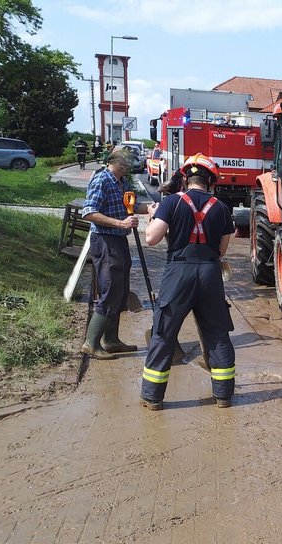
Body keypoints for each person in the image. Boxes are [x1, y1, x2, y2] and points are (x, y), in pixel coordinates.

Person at [141, 153, 236, 410]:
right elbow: (223, 250)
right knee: (217, 334)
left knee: (163, 333)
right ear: (210, 181)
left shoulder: (171, 202)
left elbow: (151, 238)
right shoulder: (222, 208)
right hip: (209, 273)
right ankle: (224, 396)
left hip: (178, 274)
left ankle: (153, 398)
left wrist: (153, 215)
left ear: (185, 178)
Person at [80, 148, 139, 359]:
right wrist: (120, 223)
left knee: (120, 290)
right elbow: (88, 212)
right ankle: (91, 343)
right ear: (117, 161)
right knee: (110, 289)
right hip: (105, 240)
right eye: (127, 162)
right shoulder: (101, 181)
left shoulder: (123, 182)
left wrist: (151, 208)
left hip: (119, 240)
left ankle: (111, 340)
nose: (129, 166)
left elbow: (131, 205)